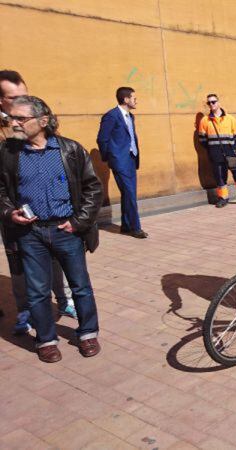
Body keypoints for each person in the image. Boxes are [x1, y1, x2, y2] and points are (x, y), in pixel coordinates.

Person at [0, 96, 103, 363]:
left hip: (66, 229)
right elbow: (0, 191)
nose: (14, 123)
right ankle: (46, 339)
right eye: (11, 118)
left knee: (80, 286)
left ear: (43, 121)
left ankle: (88, 333)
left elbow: (93, 187)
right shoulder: (8, 153)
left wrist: (79, 221)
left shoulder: (69, 150)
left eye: (21, 118)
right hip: (29, 234)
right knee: (37, 291)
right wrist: (10, 212)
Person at [0, 70, 76, 334]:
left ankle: (64, 301)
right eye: (13, 98)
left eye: (24, 94)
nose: (21, 100)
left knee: (56, 258)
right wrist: (9, 211)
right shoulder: (5, 132)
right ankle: (25, 312)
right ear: (1, 101)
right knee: (19, 266)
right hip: (12, 214)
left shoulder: (32, 119)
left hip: (45, 213)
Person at [97, 87, 147, 238]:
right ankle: (135, 228)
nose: (136, 101)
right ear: (126, 99)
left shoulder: (130, 116)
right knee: (130, 194)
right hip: (119, 160)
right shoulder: (111, 116)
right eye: (134, 98)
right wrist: (111, 157)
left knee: (128, 194)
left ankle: (126, 225)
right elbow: (102, 139)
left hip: (131, 159)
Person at [197, 93, 236, 207]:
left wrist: (233, 149)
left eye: (213, 101)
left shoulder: (230, 119)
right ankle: (223, 197)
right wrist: (212, 150)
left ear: (218, 102)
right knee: (220, 176)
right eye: (209, 102)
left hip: (231, 153)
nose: (211, 104)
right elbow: (202, 140)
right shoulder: (204, 121)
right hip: (216, 155)